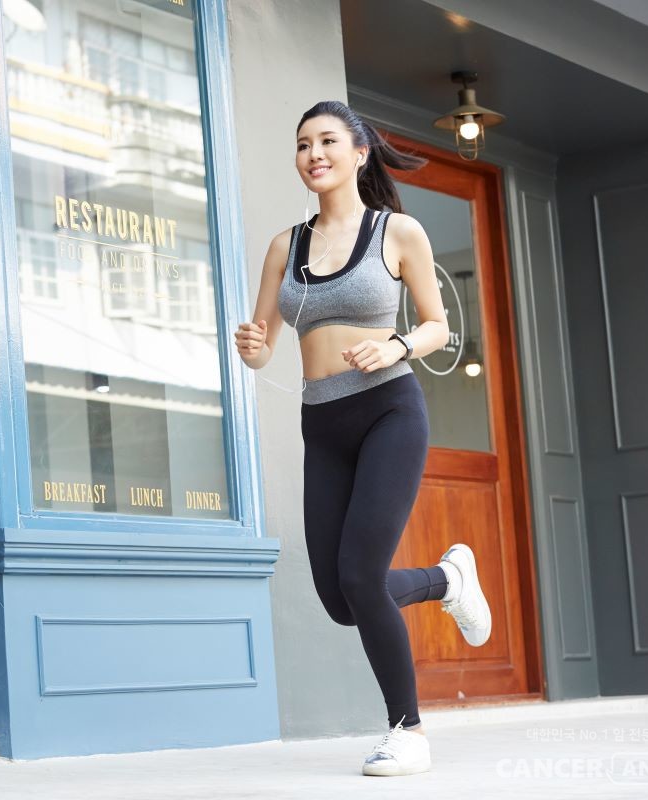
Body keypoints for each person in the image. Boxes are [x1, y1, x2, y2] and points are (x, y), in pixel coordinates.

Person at [233, 100, 493, 777]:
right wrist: (253, 347)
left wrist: (396, 344)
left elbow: (438, 326)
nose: (313, 153)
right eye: (302, 144)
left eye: (326, 141)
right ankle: (447, 579)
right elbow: (264, 347)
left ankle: (408, 731)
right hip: (323, 423)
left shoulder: (396, 232)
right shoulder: (284, 247)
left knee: (360, 575)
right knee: (339, 598)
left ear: (358, 153)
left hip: (387, 411)